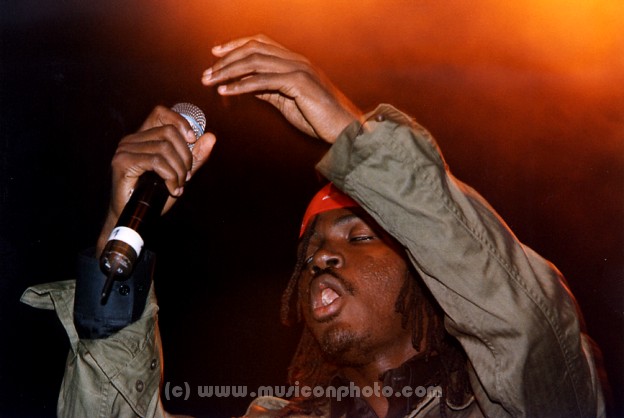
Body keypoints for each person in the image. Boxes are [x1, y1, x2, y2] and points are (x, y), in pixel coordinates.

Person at [21, 35, 605, 417]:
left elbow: (527, 326)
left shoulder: (504, 402)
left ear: (427, 277)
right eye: (310, 253)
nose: (321, 259)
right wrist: (119, 238)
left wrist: (359, 141)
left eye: (360, 237)